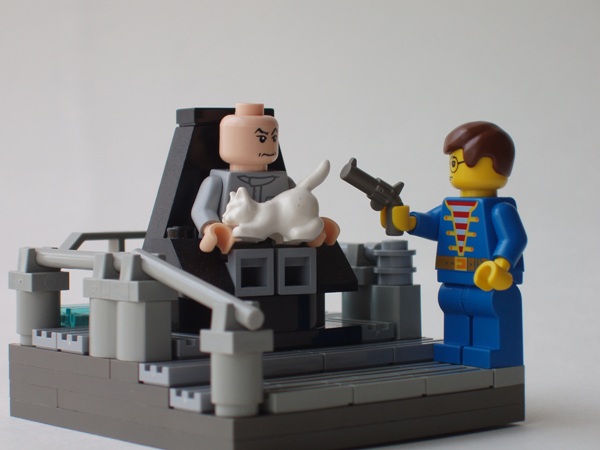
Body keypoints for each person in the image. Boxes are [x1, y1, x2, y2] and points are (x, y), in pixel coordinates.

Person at [387, 121, 527, 368]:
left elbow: (514, 238)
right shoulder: (450, 207)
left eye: (457, 162)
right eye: (452, 162)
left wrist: (500, 264)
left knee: (490, 313)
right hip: (453, 279)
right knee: (454, 309)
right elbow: (433, 224)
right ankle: (456, 347)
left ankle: (493, 356)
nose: (453, 169)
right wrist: (408, 221)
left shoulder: (499, 209)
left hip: (488, 281)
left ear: (492, 163)